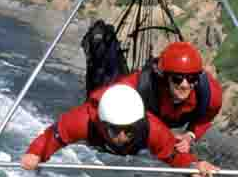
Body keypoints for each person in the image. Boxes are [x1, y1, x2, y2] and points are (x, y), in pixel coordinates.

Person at [22, 84, 219, 177]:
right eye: (116, 130)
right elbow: (55, 135)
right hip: (97, 139)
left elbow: (173, 153)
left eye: (129, 130)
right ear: (103, 123)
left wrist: (193, 166)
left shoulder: (152, 128)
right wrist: (36, 153)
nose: (123, 137)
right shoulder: (83, 120)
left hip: (132, 141)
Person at [90, 41, 222, 154]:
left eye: (192, 79)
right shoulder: (139, 85)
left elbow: (207, 117)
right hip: (149, 115)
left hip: (172, 118)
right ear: (164, 78)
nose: (185, 85)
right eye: (177, 79)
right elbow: (96, 101)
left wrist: (190, 135)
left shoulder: (210, 95)